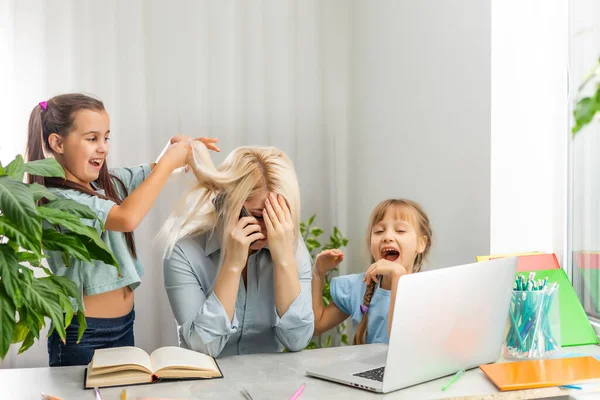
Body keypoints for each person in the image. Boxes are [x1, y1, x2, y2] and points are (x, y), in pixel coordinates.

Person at [24, 93, 219, 366]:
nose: (103, 147)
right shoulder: (60, 200)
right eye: (92, 139)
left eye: (106, 137)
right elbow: (126, 217)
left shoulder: (101, 186)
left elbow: (142, 175)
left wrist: (171, 154)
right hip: (83, 335)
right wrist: (169, 163)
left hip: (123, 326)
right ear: (57, 142)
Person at [162, 142, 313, 358]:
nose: (271, 230)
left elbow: (297, 340)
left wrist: (284, 262)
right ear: (225, 203)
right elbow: (203, 348)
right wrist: (232, 265)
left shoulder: (291, 247)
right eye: (260, 215)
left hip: (270, 383)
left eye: (280, 217)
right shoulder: (183, 251)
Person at [312, 198, 432, 344]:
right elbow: (317, 326)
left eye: (400, 230)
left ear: (421, 244)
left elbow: (401, 346)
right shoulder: (357, 288)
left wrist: (398, 278)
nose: (387, 237)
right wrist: (318, 273)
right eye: (379, 231)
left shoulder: (429, 293)